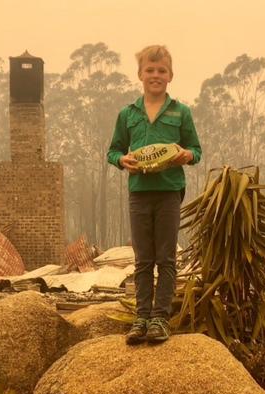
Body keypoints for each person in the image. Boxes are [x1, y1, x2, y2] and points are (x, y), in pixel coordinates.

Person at [107, 45, 202, 344]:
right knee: (143, 259)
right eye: (150, 70)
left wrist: (185, 155)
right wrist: (122, 161)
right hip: (139, 192)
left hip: (169, 192)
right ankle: (141, 318)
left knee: (166, 258)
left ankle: (160, 318)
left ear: (170, 75)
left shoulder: (181, 112)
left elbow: (196, 150)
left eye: (161, 70)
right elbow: (113, 151)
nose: (155, 75)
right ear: (140, 74)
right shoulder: (127, 114)